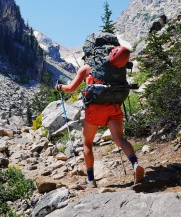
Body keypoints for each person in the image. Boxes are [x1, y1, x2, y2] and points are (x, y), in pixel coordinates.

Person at [55, 55, 144, 188]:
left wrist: (60, 87)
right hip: (114, 105)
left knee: (87, 143)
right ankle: (135, 164)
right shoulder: (115, 67)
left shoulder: (86, 68)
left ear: (89, 56)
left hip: (96, 109)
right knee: (119, 139)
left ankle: (91, 180)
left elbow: (71, 88)